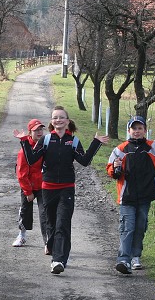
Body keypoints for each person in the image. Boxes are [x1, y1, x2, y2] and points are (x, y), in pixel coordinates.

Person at [13, 106, 109, 274]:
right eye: (55, 117)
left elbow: (84, 161)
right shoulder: (46, 140)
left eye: (61, 117)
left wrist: (96, 143)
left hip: (66, 189)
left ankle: (58, 260)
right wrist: (23, 141)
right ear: (52, 121)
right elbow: (31, 159)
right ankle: (55, 249)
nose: (58, 120)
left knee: (63, 224)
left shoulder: (74, 141)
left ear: (67, 121)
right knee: (51, 224)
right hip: (48, 189)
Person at [106, 112, 155, 274]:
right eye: (133, 128)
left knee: (140, 226)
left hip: (145, 196)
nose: (137, 131)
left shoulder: (152, 147)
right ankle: (123, 259)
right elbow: (111, 170)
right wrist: (115, 169)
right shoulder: (120, 150)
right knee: (127, 227)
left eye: (140, 128)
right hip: (126, 196)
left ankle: (136, 257)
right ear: (129, 130)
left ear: (145, 130)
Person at [12, 119, 47, 247]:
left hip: (43, 186)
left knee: (45, 213)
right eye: (36, 130)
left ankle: (48, 242)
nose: (39, 132)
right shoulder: (24, 151)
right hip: (29, 186)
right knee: (25, 211)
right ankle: (22, 235)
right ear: (30, 132)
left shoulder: (45, 146)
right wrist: (28, 191)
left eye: (41, 129)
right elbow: (21, 174)